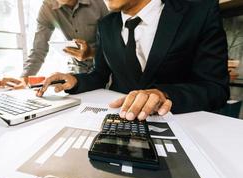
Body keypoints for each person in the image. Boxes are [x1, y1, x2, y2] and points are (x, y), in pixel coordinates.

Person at [37, 0, 230, 121]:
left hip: (180, 123)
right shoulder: (106, 25)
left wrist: (164, 95)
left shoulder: (200, 12)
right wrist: (75, 80)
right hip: (120, 120)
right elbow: (99, 75)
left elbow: (216, 89)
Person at [0, 0, 108, 89]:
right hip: (76, 73)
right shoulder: (47, 7)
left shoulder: (98, 4)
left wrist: (91, 53)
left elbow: (113, 45)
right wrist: (24, 80)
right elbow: (38, 50)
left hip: (105, 71)